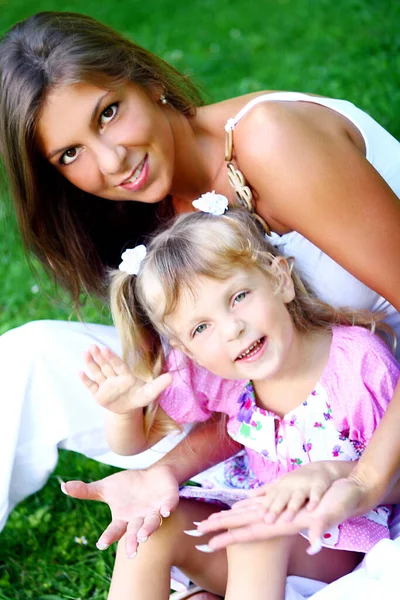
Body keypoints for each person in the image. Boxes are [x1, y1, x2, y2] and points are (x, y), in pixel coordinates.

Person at [1, 10, 400, 583]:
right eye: (70, 154)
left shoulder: (270, 142)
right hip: (277, 419)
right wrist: (152, 454)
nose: (111, 162)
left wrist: (362, 481)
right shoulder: (156, 211)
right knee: (23, 355)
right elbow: (222, 398)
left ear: (149, 80)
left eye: (108, 113)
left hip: (376, 412)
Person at [78, 206, 399, 599]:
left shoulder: (355, 365)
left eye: (239, 297)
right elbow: (132, 445)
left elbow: (393, 476)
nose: (232, 329)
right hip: (246, 526)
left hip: (334, 539)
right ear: (187, 350)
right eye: (201, 327)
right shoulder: (221, 376)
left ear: (279, 279)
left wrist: (333, 473)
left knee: (255, 532)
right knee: (151, 529)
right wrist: (124, 411)